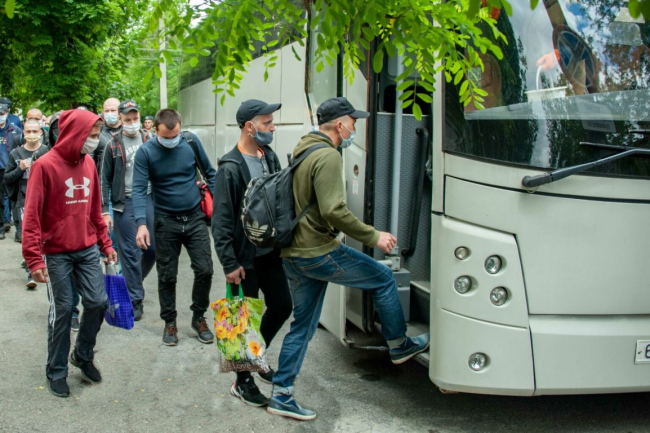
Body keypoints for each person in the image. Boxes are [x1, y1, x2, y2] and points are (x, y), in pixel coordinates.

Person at [267, 97, 430, 420]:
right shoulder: (327, 155)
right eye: (353, 122)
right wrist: (374, 236)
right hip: (320, 252)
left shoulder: (304, 148)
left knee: (302, 326)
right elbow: (333, 210)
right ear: (340, 124)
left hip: (295, 253)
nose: (355, 127)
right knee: (383, 278)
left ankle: (281, 394)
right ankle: (399, 345)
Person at [22, 109, 117, 398]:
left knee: (98, 302)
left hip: (86, 249)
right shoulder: (44, 165)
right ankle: (56, 370)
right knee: (63, 310)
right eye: (91, 135)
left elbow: (94, 210)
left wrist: (105, 244)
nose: (95, 141)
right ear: (75, 134)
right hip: (56, 253)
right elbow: (32, 216)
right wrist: (33, 257)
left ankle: (82, 355)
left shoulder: (88, 163)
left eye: (97, 135)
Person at [213, 100, 293, 407]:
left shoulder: (268, 156)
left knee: (282, 305)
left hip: (270, 253)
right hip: (244, 259)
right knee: (240, 320)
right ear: (250, 127)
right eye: (267, 122)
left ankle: (254, 355)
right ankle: (242, 381)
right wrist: (229, 263)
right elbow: (221, 221)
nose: (273, 127)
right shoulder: (230, 167)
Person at [133, 108, 216, 346]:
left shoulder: (190, 142)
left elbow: (210, 174)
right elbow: (138, 189)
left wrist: (222, 209)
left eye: (175, 136)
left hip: (194, 217)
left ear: (180, 126)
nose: (171, 141)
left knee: (205, 269)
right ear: (155, 130)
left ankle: (198, 317)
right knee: (167, 276)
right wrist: (141, 224)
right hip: (165, 220)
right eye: (166, 137)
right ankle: (169, 322)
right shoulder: (146, 152)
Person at [101, 100, 155, 321]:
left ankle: (133, 282)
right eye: (128, 119)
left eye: (135, 118)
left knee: (151, 249)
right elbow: (104, 179)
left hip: (149, 197)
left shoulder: (149, 139)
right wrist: (105, 211)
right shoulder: (113, 144)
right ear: (121, 120)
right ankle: (135, 298)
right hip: (124, 202)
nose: (132, 122)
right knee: (130, 252)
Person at [3, 119, 48, 249]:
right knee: (27, 232)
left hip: (45, 197)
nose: (31, 134)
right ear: (23, 132)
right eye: (28, 131)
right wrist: (20, 169)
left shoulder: (47, 152)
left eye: (34, 131)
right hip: (23, 198)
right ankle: (29, 256)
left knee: (44, 231)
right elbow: (7, 178)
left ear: (40, 132)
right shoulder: (15, 153)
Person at [0, 103, 23, 239]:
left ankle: (19, 230)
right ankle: (2, 226)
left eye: (1, 114)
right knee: (0, 199)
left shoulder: (15, 130)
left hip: (12, 169)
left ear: (7, 114)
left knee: (14, 199)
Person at [97, 97, 122, 174]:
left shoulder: (127, 131)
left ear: (119, 112)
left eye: (113, 110)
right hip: (103, 176)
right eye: (106, 111)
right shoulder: (97, 132)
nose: (109, 113)